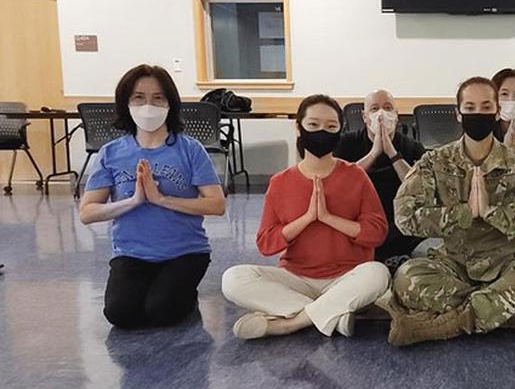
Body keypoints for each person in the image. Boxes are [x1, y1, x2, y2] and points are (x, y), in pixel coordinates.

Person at [383, 77, 515, 347]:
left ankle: (449, 324)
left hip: (507, 263)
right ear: (458, 114)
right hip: (452, 263)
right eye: (469, 107)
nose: (477, 114)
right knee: (406, 278)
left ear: (496, 111)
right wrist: (464, 213)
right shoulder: (436, 161)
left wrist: (494, 213)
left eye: (485, 106)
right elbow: (405, 216)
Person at [221, 94, 390, 340]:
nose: (322, 131)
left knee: (377, 273)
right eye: (313, 125)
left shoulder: (356, 176)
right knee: (233, 279)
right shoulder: (280, 182)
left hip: (347, 277)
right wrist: (307, 219)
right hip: (296, 278)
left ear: (340, 130)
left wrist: (329, 218)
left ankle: (290, 322)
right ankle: (334, 314)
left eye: (331, 126)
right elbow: (266, 244)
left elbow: (377, 232)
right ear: (299, 127)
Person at [79, 65, 226, 329]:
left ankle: (182, 293)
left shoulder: (190, 150)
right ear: (126, 103)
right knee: (120, 314)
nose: (148, 105)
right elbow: (87, 212)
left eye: (158, 98)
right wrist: (134, 200)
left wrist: (162, 199)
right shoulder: (111, 153)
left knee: (161, 311)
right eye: (139, 97)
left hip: (185, 252)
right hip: (132, 253)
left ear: (170, 103)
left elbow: (217, 204)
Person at [334, 90, 426, 272]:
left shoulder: (411, 146)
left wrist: (393, 154)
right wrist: (374, 153)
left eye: (388, 108)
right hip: (360, 216)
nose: (381, 114)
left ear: (396, 115)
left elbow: (420, 186)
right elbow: (338, 182)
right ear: (365, 116)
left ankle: (390, 258)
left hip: (397, 218)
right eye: (375, 109)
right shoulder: (346, 143)